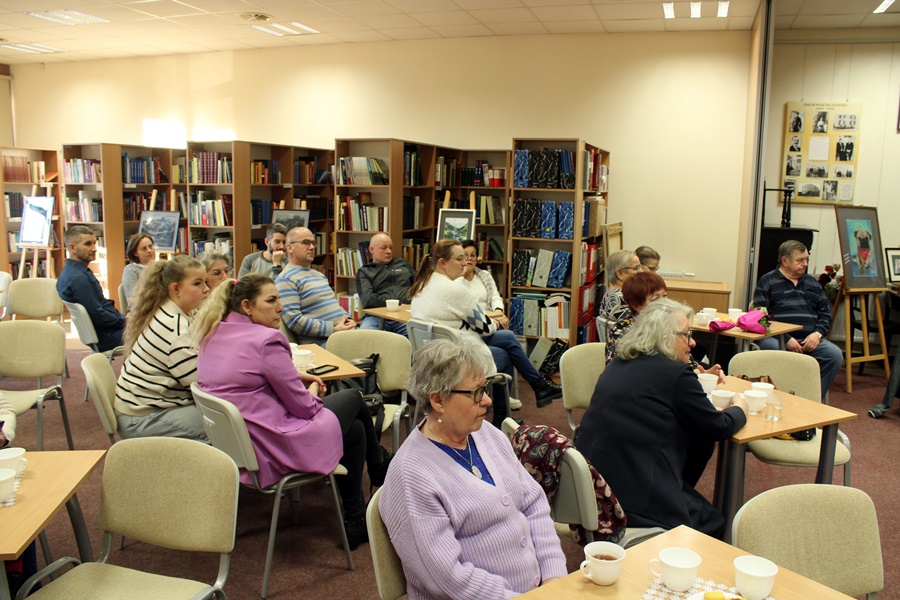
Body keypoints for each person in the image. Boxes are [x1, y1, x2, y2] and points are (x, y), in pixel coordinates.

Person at [191, 273, 391, 549]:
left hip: (242, 445)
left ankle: (357, 517)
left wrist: (296, 378)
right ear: (247, 306)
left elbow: (246, 381)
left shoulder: (212, 332)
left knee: (355, 431)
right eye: (272, 300)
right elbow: (305, 408)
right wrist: (311, 389)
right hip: (275, 444)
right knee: (353, 397)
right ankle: (378, 463)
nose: (281, 307)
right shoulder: (267, 340)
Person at [379, 340, 567, 598]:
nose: (488, 400)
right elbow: (448, 579)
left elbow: (533, 503)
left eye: (486, 388)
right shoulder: (412, 476)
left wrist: (555, 577)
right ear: (438, 400)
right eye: (477, 392)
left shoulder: (486, 434)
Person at [576, 299, 748, 539]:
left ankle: (676, 495)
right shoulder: (675, 374)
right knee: (714, 521)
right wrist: (740, 407)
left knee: (699, 441)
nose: (693, 343)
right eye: (686, 335)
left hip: (592, 487)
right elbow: (719, 426)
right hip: (630, 497)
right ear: (665, 337)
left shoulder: (619, 363)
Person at [409, 239, 562, 419]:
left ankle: (538, 386)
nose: (464, 263)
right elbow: (486, 327)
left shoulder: (423, 284)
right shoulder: (454, 289)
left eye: (466, 258)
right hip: (453, 357)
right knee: (505, 355)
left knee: (507, 337)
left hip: (433, 353)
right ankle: (503, 416)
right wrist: (494, 321)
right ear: (443, 263)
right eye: (459, 259)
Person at [114, 255, 209, 441]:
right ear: (176, 289)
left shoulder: (169, 310)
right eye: (198, 283)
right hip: (143, 417)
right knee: (229, 428)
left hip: (147, 407)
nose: (206, 289)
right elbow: (202, 382)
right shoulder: (175, 330)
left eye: (205, 282)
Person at [460, 239, 553, 410]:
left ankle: (520, 397)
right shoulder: (456, 282)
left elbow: (495, 297)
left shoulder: (483, 276)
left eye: (473, 255)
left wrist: (498, 311)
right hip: (473, 330)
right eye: (465, 256)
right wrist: (492, 318)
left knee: (506, 348)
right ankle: (538, 385)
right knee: (509, 339)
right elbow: (470, 313)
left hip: (487, 323)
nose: (469, 259)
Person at [753, 240, 843, 397]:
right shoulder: (768, 281)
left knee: (833, 354)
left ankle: (811, 398)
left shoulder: (812, 284)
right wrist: (785, 338)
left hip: (809, 339)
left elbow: (825, 314)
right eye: (800, 260)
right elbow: (761, 316)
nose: (805, 264)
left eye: (806, 259)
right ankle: (780, 398)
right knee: (773, 349)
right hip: (777, 337)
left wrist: (817, 334)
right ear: (785, 261)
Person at [276, 227, 356, 346]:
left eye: (313, 243)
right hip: (322, 342)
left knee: (383, 348)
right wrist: (332, 329)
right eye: (306, 243)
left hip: (342, 334)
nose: (312, 247)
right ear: (290, 247)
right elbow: (294, 321)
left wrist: (348, 319)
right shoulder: (285, 279)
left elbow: (332, 305)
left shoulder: (319, 275)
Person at [57, 225, 126, 352]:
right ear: (72, 248)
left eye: (94, 243)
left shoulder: (71, 272)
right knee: (158, 332)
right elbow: (99, 315)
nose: (94, 249)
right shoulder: (79, 279)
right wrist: (125, 321)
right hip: (107, 337)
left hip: (105, 333)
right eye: (88, 244)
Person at [356, 232, 415, 336]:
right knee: (363, 338)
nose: (389, 251)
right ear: (371, 249)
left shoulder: (402, 263)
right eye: (384, 248)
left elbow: (419, 286)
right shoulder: (365, 271)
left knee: (417, 339)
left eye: (391, 248)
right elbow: (368, 299)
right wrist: (396, 304)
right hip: (376, 317)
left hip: (404, 315)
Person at [605, 271, 668, 364]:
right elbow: (615, 369)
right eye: (656, 299)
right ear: (636, 305)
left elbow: (686, 359)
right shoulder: (621, 330)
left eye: (665, 296)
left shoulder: (670, 323)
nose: (664, 303)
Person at [598, 249, 642, 325]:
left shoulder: (611, 292)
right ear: (620, 273)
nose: (641, 271)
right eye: (636, 268)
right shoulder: (622, 299)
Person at [121, 232, 155, 309]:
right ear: (135, 253)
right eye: (144, 248)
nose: (149, 250)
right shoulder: (131, 270)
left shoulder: (159, 267)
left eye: (150, 246)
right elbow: (133, 302)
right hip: (144, 313)